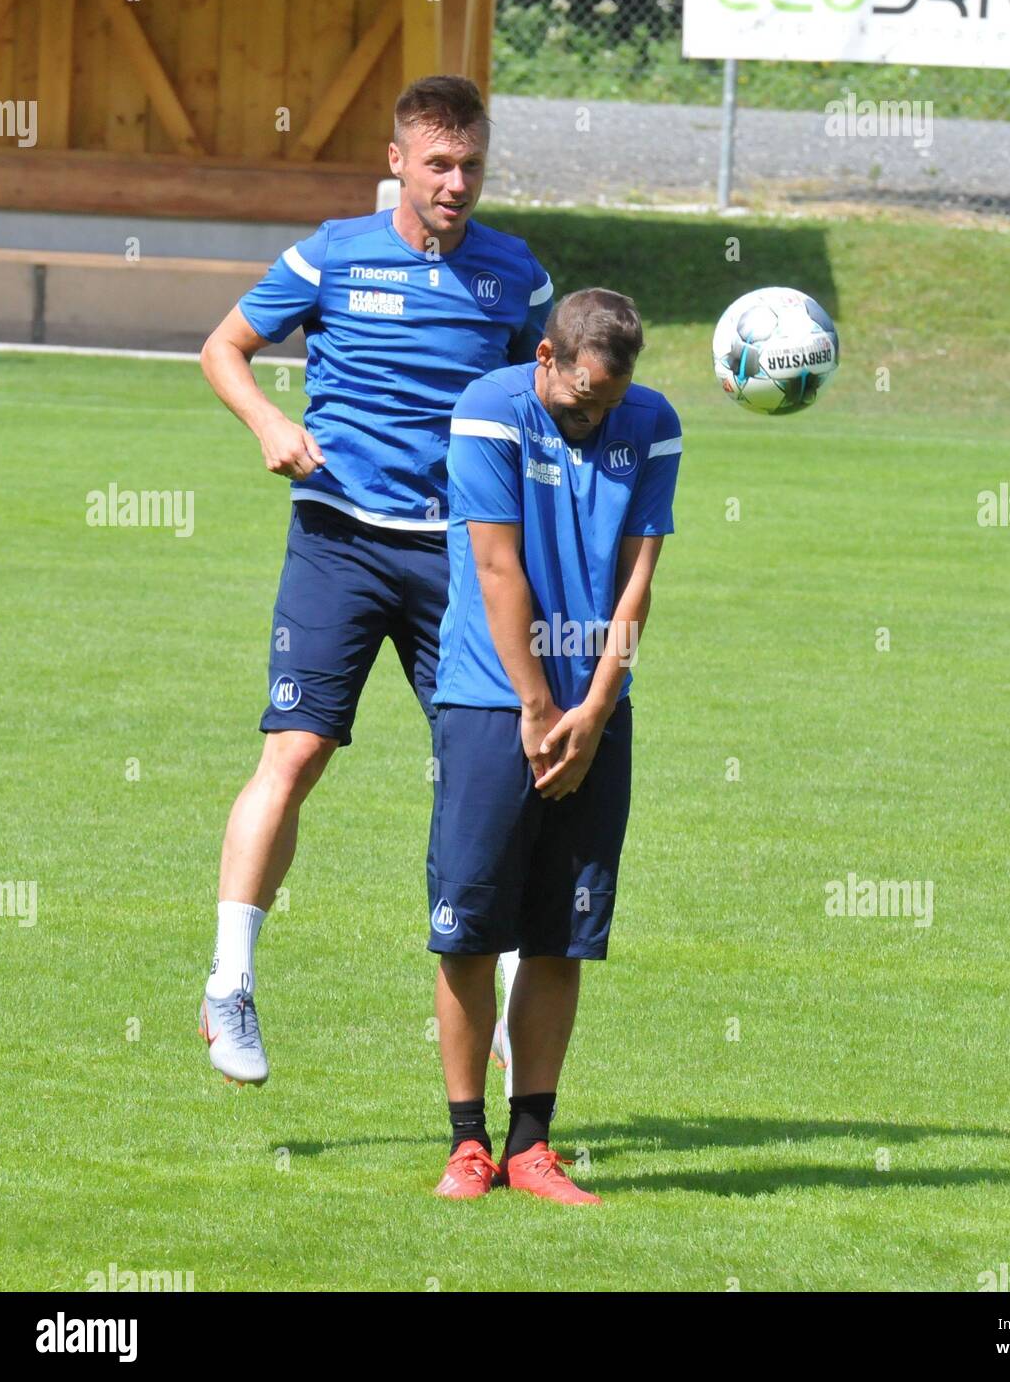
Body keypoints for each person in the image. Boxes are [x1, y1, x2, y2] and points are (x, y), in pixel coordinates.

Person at [197, 76, 552, 1086]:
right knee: (296, 751)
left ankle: (512, 1017)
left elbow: (546, 395)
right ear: (396, 160)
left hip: (462, 555)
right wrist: (272, 422)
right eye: (438, 163)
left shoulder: (514, 279)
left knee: (500, 765)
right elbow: (223, 346)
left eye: (472, 165)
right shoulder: (330, 253)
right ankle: (229, 984)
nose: (457, 182)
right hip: (340, 540)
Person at [426, 288, 682, 1202]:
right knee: (466, 932)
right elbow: (496, 565)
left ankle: (532, 1146)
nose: (593, 417)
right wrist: (538, 708)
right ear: (545, 358)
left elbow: (635, 581)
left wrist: (598, 709)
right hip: (493, 703)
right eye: (580, 400)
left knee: (561, 936)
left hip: (594, 713)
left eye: (608, 404)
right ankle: (467, 1145)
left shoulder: (650, 423)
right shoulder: (488, 411)